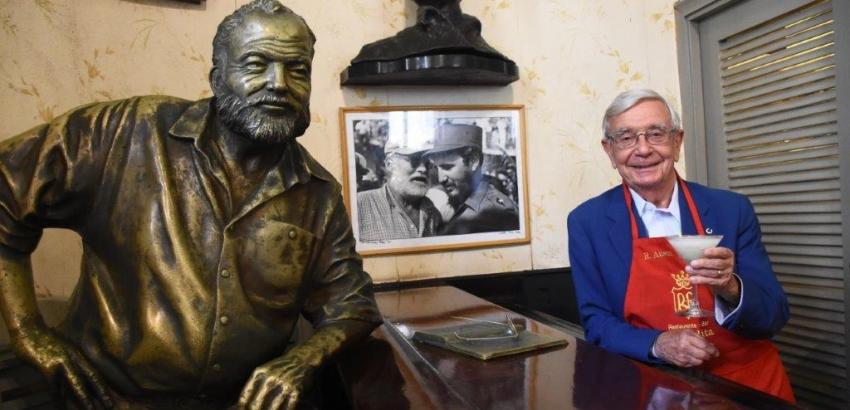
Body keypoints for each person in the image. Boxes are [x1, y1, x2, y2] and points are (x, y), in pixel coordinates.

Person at [0, 1, 381, 408]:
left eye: (298, 69)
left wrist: (301, 362)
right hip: (106, 400)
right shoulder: (127, 132)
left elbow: (352, 304)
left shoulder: (318, 192)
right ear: (218, 76)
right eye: (256, 64)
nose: (279, 83)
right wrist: (27, 331)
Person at [567, 89, 795, 402]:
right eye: (626, 137)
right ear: (609, 151)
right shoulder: (587, 222)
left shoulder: (731, 209)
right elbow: (597, 325)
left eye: (656, 134)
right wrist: (659, 344)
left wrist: (730, 288)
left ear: (677, 142)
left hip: (746, 383)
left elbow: (775, 315)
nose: (643, 149)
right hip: (655, 387)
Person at [425, 123, 519, 235]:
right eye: (437, 168)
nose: (441, 179)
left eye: (448, 167)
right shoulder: (457, 202)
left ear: (473, 161)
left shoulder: (497, 215)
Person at [356, 140, 442, 242]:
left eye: (428, 164)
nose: (423, 169)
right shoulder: (360, 205)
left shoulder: (433, 213)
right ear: (389, 164)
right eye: (414, 160)